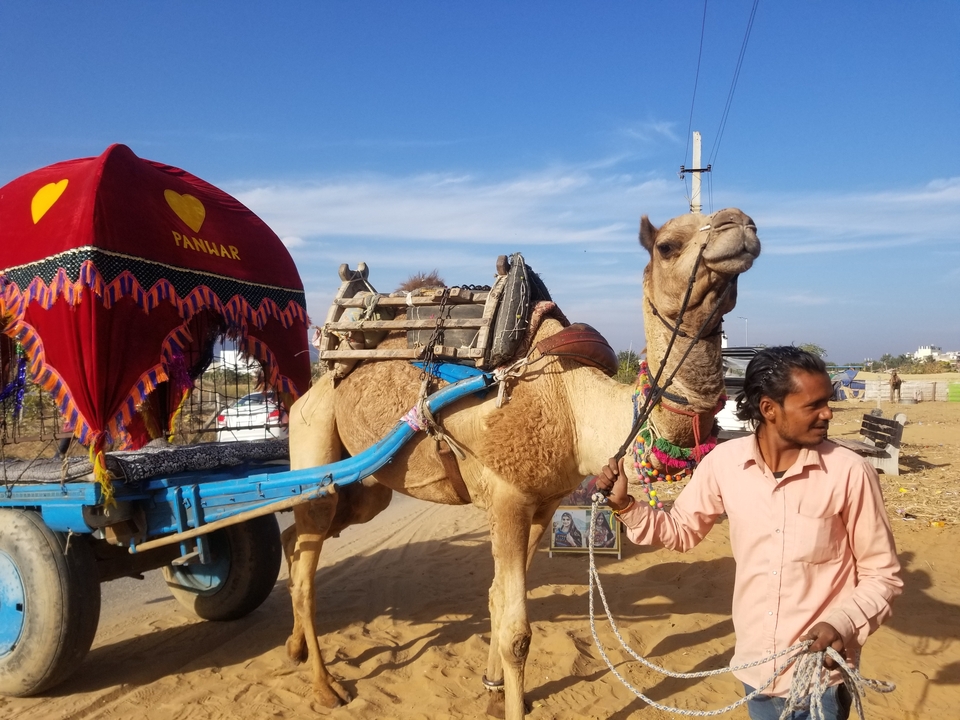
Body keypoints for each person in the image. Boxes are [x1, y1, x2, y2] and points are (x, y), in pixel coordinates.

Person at [596, 346, 902, 720]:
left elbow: (882, 576)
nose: (828, 414)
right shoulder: (723, 464)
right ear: (769, 409)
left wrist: (841, 622)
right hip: (755, 671)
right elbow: (680, 531)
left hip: (821, 678)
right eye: (814, 405)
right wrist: (626, 506)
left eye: (828, 402)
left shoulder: (850, 473)